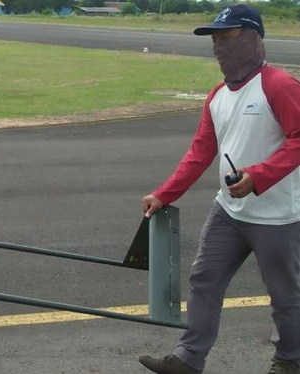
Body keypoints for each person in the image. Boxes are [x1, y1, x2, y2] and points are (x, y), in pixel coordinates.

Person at [137, 5, 300, 374]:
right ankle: (188, 360)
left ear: (252, 38)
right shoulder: (217, 96)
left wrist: (259, 176)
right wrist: (165, 193)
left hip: (277, 216)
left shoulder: (279, 85)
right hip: (228, 210)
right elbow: (200, 152)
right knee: (204, 280)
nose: (217, 47)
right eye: (214, 39)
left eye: (225, 37)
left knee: (285, 295)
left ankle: (290, 359)